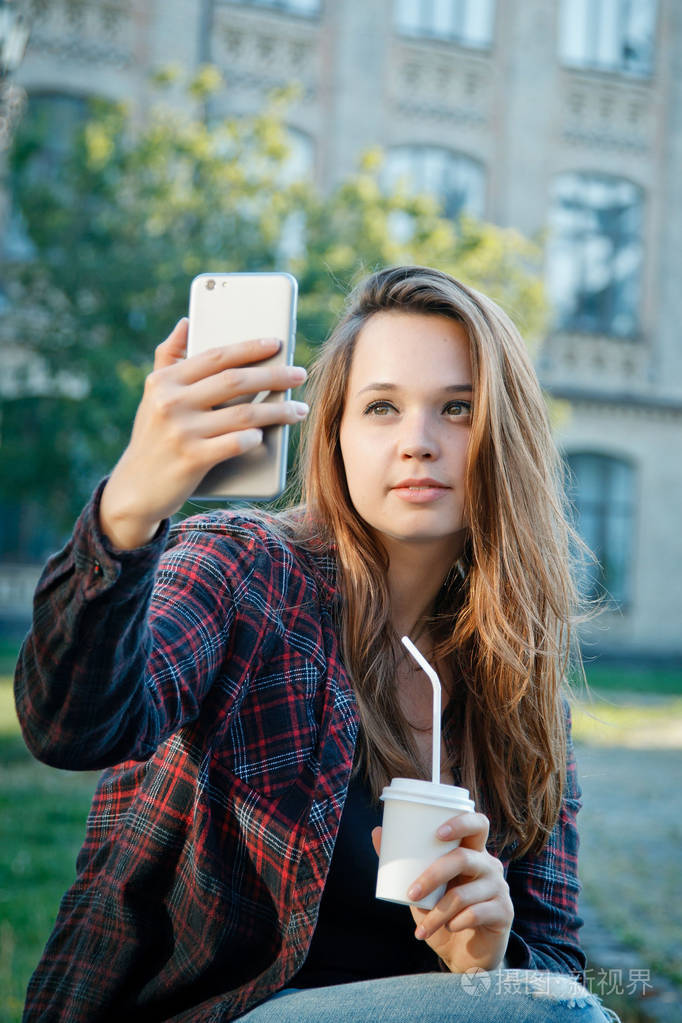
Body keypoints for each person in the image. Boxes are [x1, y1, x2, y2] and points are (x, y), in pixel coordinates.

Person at [15, 266, 616, 1022]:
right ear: (333, 434)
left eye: (458, 409)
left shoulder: (521, 693)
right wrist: (129, 509)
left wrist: (489, 959)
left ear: (507, 436)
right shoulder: (242, 567)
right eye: (382, 407)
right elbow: (71, 723)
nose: (418, 443)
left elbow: (556, 963)